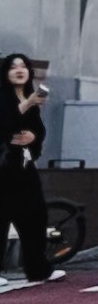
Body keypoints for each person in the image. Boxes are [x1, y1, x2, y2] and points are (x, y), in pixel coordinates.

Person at [2, 54, 54, 281]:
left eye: (23, 66)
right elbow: (3, 122)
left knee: (35, 216)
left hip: (24, 166)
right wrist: (27, 104)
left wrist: (33, 137)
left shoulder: (30, 99)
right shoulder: (5, 97)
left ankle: (37, 269)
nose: (19, 70)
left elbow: (39, 130)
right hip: (3, 169)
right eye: (13, 67)